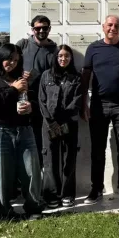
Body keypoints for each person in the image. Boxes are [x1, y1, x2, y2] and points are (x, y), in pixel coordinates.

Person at [79, 14, 119, 204]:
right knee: (98, 150)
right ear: (103, 27)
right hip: (98, 105)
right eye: (109, 25)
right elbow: (86, 76)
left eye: (116, 26)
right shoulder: (93, 48)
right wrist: (83, 102)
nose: (112, 28)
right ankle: (96, 189)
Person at [0, 43, 42, 219]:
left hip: (24, 129)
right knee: (0, 173)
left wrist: (31, 107)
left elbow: (35, 100)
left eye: (15, 60)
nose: (12, 63)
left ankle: (33, 207)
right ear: (0, 58)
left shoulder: (21, 80)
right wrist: (14, 89)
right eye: (8, 59)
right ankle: (2, 210)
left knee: (31, 170)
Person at [38, 45, 82, 209]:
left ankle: (67, 194)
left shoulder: (76, 77)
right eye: (60, 56)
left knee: (69, 159)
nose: (63, 59)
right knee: (50, 159)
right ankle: (51, 195)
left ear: (71, 58)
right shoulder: (46, 75)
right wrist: (51, 120)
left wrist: (63, 119)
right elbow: (41, 100)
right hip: (50, 124)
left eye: (67, 56)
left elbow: (77, 100)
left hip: (69, 123)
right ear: (55, 58)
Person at [16, 15, 58, 163]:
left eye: (44, 28)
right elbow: (8, 63)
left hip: (44, 103)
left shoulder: (55, 50)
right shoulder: (22, 45)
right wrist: (20, 72)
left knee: (42, 140)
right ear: (32, 29)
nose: (41, 31)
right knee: (22, 139)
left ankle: (40, 171)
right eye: (37, 28)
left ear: (49, 29)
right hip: (23, 99)